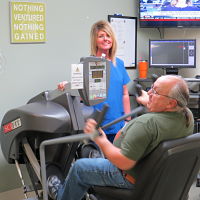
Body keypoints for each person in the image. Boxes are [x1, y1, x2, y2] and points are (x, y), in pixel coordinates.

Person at [47, 75, 194, 200]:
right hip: (158, 176)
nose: (149, 92)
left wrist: (101, 140)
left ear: (170, 103)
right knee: (94, 157)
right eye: (151, 88)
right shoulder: (186, 116)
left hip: (127, 175)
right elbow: (162, 120)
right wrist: (149, 102)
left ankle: (61, 195)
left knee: (80, 167)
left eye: (155, 92)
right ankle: (96, 163)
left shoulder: (147, 124)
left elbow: (124, 163)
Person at [58, 20, 131, 142]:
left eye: (108, 35)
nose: (106, 39)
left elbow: (125, 94)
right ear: (95, 40)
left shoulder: (119, 63)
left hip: (118, 124)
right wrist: (66, 86)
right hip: (96, 125)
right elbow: (80, 95)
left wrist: (128, 121)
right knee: (98, 160)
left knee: (115, 159)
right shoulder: (86, 64)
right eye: (101, 36)